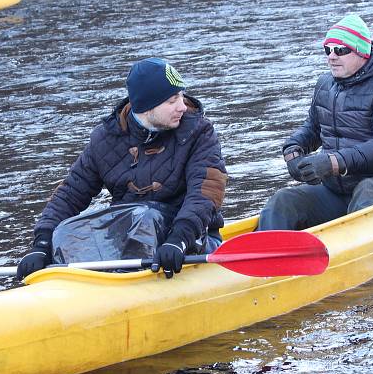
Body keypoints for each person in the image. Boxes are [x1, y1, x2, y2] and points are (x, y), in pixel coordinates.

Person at [16, 57, 228, 280]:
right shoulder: (106, 138)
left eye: (182, 96)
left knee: (145, 216)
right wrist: (42, 243)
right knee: (69, 232)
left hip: (189, 240)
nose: (182, 106)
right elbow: (70, 194)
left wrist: (179, 239)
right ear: (147, 107)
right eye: (172, 100)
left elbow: (204, 195)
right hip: (128, 242)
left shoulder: (199, 132)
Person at [258, 14, 373, 231]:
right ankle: (265, 256)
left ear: (362, 52)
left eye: (341, 50)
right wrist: (292, 150)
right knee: (283, 200)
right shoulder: (325, 84)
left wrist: (334, 162)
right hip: (337, 192)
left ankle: (355, 250)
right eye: (328, 50)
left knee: (368, 189)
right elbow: (313, 129)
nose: (332, 56)